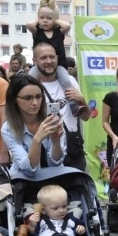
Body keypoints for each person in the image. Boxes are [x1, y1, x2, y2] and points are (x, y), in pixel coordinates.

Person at [32, 42, 90, 171]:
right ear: (35, 61)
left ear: (57, 58)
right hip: (45, 145)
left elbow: (86, 117)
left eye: (52, 57)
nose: (48, 61)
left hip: (72, 147)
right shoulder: (30, 87)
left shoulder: (70, 81)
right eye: (43, 58)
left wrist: (82, 101)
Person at [26, 0, 85, 117]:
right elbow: (29, 25)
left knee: (66, 81)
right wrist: (41, 18)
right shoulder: (38, 31)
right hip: (38, 66)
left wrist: (55, 19)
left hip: (59, 65)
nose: (45, 20)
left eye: (48, 18)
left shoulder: (58, 31)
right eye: (42, 18)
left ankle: (73, 105)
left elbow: (67, 26)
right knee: (29, 79)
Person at [1, 73, 66, 178]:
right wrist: (37, 140)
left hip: (54, 180)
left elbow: (56, 163)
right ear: (14, 99)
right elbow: (29, 170)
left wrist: (56, 141)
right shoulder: (8, 128)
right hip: (25, 182)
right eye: (28, 98)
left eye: (38, 96)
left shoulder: (52, 120)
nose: (35, 103)